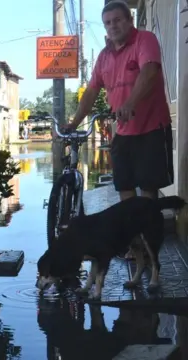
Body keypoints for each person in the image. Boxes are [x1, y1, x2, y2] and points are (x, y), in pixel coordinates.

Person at [64, 0, 173, 258]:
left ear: (129, 20)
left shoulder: (144, 41)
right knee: (124, 188)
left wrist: (130, 103)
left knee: (147, 192)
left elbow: (149, 72)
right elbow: (91, 92)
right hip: (123, 133)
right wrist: (74, 122)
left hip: (151, 127)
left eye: (118, 20)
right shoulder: (103, 57)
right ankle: (134, 245)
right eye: (108, 22)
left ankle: (150, 243)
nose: (113, 26)